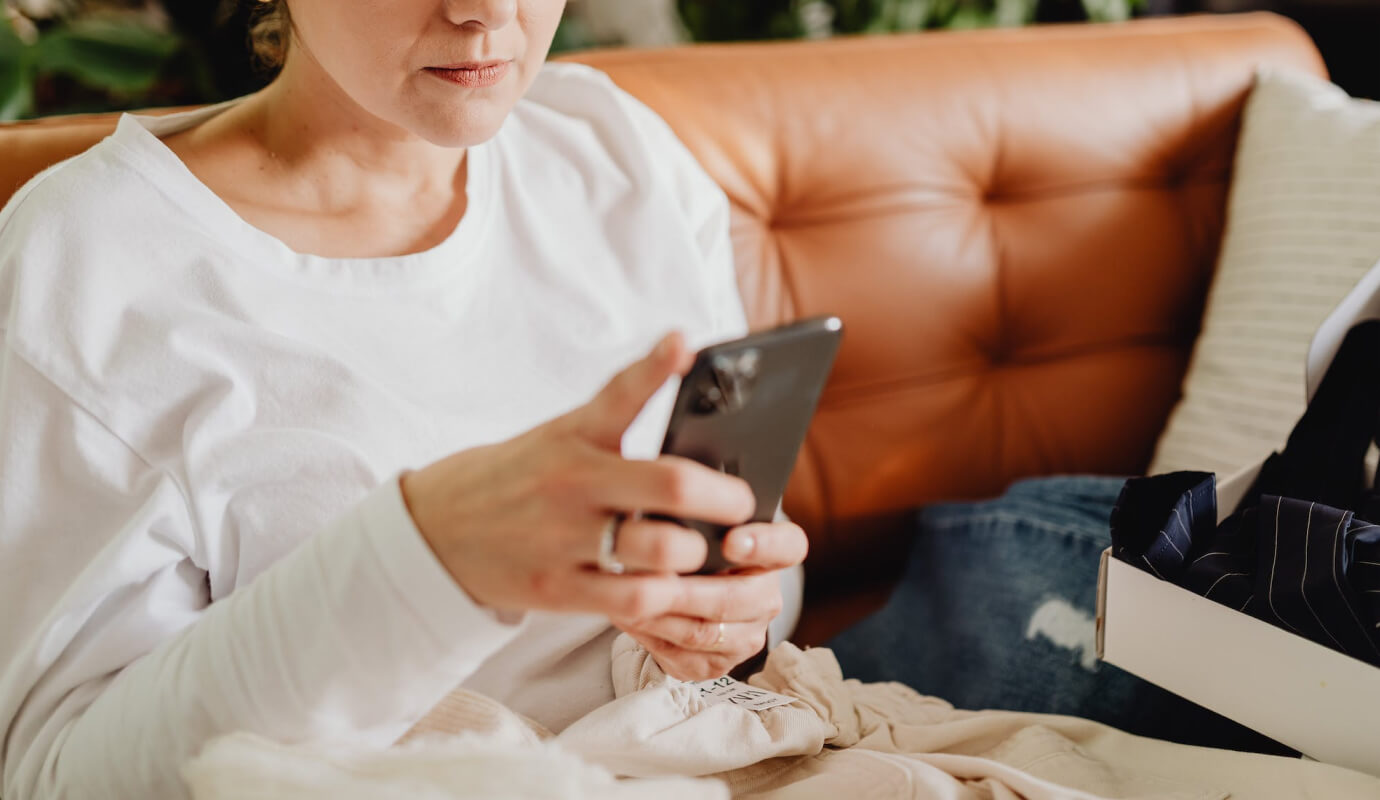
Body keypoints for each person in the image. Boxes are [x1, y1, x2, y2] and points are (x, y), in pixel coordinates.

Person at [0, 1, 808, 798]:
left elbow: (760, 584)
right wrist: (428, 556)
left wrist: (726, 618)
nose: (487, 10)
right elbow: (54, 776)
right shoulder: (89, 264)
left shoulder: (611, 146)